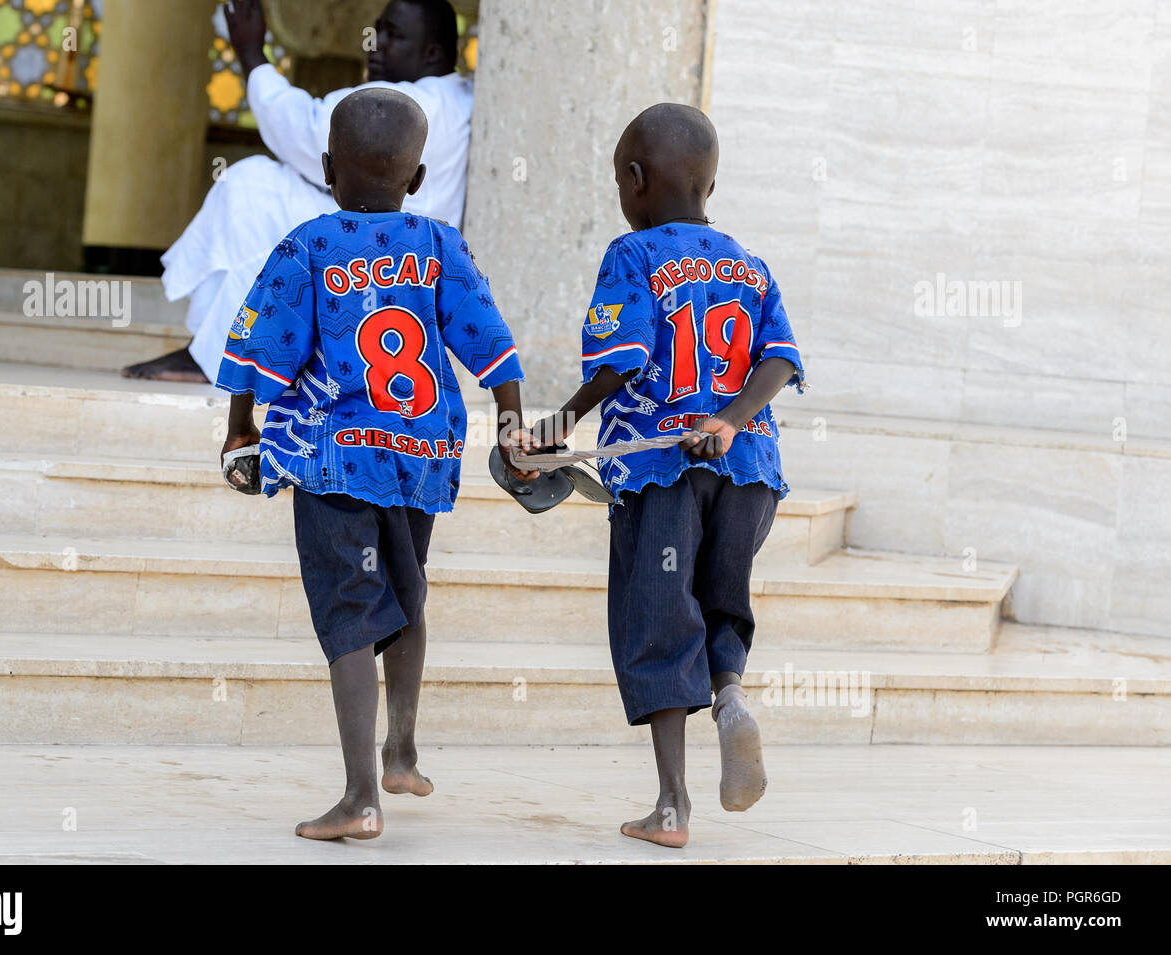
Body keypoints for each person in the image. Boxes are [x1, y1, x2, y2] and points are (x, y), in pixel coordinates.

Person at [216, 88, 533, 840]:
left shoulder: (308, 246)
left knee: (351, 616)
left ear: (327, 167)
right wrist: (514, 422)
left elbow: (261, 347)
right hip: (418, 456)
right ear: (418, 178)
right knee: (406, 593)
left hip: (332, 460)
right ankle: (402, 748)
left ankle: (360, 797)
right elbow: (490, 341)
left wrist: (239, 429)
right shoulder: (439, 246)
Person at [519, 103, 806, 849]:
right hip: (747, 469)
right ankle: (732, 693)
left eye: (621, 178)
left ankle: (672, 803)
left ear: (636, 181)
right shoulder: (749, 263)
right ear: (710, 185)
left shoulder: (634, 253)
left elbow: (623, 358)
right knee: (720, 597)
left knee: (658, 617)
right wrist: (732, 419)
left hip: (660, 469)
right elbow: (780, 359)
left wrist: (565, 420)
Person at [127, 0, 470, 383]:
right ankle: (214, 350)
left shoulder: (402, 102)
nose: (375, 42)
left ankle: (219, 357)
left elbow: (305, 131)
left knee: (249, 187)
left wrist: (251, 54)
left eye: (394, 34)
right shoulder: (462, 97)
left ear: (432, 52)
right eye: (377, 29)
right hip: (407, 251)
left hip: (376, 254)